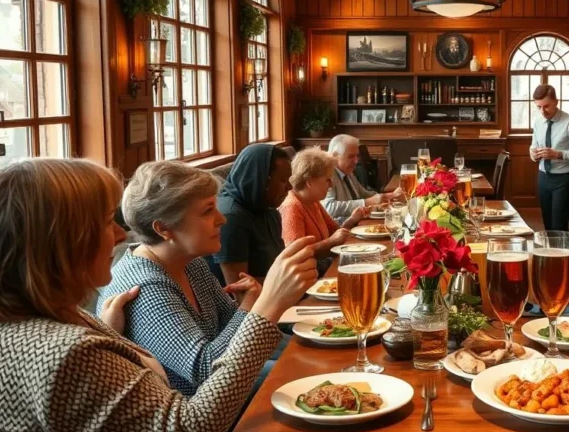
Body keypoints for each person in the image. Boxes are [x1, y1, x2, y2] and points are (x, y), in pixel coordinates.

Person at [0, 158, 318, 432]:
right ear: (60, 242)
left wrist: (111, 333)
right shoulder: (62, 353)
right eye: (107, 222)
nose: (121, 235)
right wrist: (268, 305)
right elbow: (192, 428)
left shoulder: (33, 317)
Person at [98, 160, 315, 397]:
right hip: (202, 409)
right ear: (163, 228)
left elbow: (236, 328)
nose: (222, 219)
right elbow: (205, 369)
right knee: (296, 373)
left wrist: (309, 347)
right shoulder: (145, 288)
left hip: (230, 385)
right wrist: (254, 305)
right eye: (207, 211)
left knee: (308, 363)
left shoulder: (189, 261)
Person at [212, 143, 293, 286]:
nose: (290, 187)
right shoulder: (230, 218)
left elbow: (278, 266)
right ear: (261, 179)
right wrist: (292, 279)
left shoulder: (269, 210)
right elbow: (239, 288)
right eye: (283, 180)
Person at [281, 147, 372, 274]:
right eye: (327, 179)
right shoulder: (292, 207)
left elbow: (335, 231)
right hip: (312, 277)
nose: (331, 184)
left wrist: (352, 220)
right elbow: (297, 255)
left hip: (325, 267)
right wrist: (331, 241)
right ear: (309, 182)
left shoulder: (313, 201)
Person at [529, 84, 569, 231]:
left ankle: (563, 254)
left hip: (564, 178)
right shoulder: (538, 122)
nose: (542, 111)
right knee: (548, 225)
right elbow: (533, 146)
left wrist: (558, 154)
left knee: (559, 226)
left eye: (546, 106)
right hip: (543, 176)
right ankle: (551, 254)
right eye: (539, 107)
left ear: (556, 101)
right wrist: (533, 154)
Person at [323, 134, 400, 221]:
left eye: (357, 156)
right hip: (340, 228)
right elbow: (328, 208)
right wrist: (367, 202)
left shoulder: (348, 170)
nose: (356, 161)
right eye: (351, 156)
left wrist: (387, 197)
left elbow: (362, 193)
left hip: (357, 222)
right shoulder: (326, 174)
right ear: (335, 156)